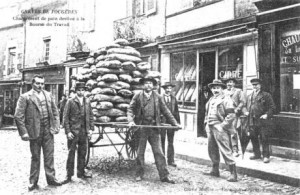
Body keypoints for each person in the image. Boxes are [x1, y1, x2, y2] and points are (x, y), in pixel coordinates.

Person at [127, 77, 181, 184]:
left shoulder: (158, 96)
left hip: (154, 128)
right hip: (141, 128)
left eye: (150, 83)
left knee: (159, 152)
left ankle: (164, 175)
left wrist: (175, 123)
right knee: (139, 153)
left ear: (153, 85)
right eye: (146, 83)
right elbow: (130, 109)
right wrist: (130, 121)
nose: (148, 85)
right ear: (143, 85)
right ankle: (139, 174)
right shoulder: (138, 95)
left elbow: (166, 111)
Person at [14, 75, 62, 191]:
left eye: (42, 83)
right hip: (34, 131)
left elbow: (55, 113)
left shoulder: (49, 95)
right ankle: (33, 181)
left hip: (48, 130)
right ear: (32, 84)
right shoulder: (25, 97)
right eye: (38, 83)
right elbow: (18, 116)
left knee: (49, 156)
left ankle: (51, 179)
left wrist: (56, 126)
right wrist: (24, 133)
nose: (40, 86)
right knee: (35, 157)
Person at [204, 79, 237, 182]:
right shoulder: (211, 99)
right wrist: (206, 124)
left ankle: (233, 174)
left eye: (218, 88)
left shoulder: (226, 99)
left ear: (222, 89)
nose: (215, 90)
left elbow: (231, 115)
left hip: (220, 128)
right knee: (212, 149)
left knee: (225, 150)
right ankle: (215, 170)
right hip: (210, 127)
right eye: (213, 88)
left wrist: (222, 126)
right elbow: (207, 113)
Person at [62, 82, 94, 184]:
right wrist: (68, 132)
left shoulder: (87, 101)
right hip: (73, 132)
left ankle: (80, 172)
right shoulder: (70, 101)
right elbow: (65, 118)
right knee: (71, 153)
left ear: (85, 91)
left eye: (82, 90)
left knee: (82, 152)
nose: (81, 92)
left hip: (84, 132)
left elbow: (91, 117)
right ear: (76, 91)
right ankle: (69, 175)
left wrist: (90, 130)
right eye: (79, 90)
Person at [245, 78, 275, 163]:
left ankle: (266, 156)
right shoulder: (249, 96)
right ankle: (257, 154)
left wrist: (266, 115)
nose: (255, 86)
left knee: (264, 138)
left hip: (262, 121)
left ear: (260, 85)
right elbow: (248, 107)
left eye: (256, 85)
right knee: (253, 137)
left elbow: (272, 107)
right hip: (252, 120)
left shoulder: (266, 95)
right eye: (253, 85)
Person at [223, 78, 246, 157]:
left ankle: (235, 150)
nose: (229, 84)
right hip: (225, 113)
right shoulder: (223, 92)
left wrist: (237, 109)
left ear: (234, 84)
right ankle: (227, 149)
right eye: (228, 82)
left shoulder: (238, 91)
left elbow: (243, 102)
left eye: (231, 82)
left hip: (233, 113)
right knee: (225, 131)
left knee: (233, 131)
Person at [160, 81, 180, 167]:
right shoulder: (159, 98)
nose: (168, 90)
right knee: (162, 140)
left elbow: (176, 111)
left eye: (170, 88)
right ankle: (161, 159)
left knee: (170, 141)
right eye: (167, 88)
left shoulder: (173, 98)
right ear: (164, 89)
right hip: (162, 122)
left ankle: (171, 160)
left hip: (171, 123)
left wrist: (177, 123)